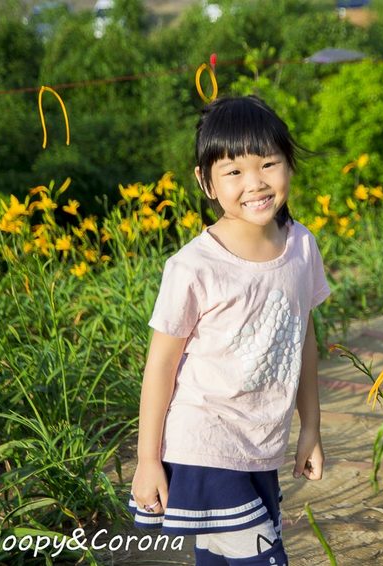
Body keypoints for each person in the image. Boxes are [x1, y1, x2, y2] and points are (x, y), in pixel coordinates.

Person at [129, 95, 331, 565]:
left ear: (289, 164)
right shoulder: (193, 266)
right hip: (204, 444)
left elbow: (303, 338)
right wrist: (146, 460)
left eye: (268, 164)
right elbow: (161, 365)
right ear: (205, 181)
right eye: (233, 172)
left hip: (261, 448)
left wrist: (312, 429)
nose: (255, 183)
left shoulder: (302, 246)